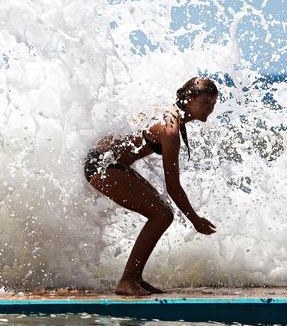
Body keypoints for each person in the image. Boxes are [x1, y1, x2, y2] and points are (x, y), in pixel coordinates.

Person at [84, 76, 219, 296]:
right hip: (102, 165)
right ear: (188, 99)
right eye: (205, 103)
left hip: (110, 163)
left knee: (163, 211)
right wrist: (195, 220)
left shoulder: (172, 114)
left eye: (213, 104)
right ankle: (127, 281)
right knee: (162, 215)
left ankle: (135, 277)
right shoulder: (171, 129)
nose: (209, 109)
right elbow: (173, 187)